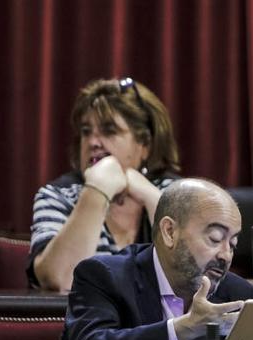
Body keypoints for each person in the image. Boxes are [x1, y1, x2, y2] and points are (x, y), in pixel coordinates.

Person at [48, 178, 253, 340]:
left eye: (233, 244)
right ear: (170, 232)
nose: (226, 255)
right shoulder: (104, 276)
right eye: (215, 239)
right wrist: (181, 330)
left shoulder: (237, 295)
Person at [29, 77, 181, 291]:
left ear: (144, 144)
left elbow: (195, 275)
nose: (93, 142)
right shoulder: (58, 195)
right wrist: (97, 191)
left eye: (109, 131)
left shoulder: (174, 192)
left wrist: (150, 196)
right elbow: (60, 280)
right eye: (86, 131)